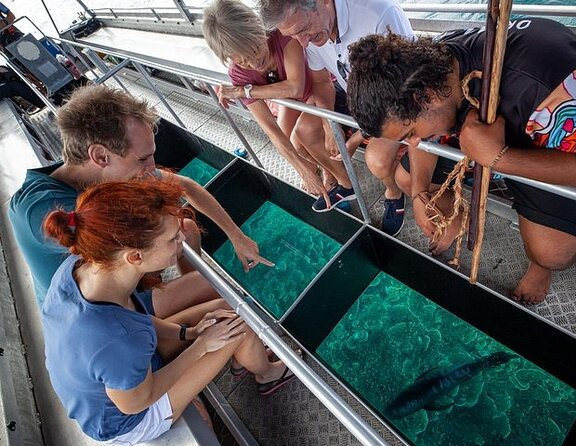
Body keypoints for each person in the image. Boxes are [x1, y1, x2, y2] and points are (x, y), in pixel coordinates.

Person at [346, 19, 576, 304]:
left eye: (410, 133)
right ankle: (452, 216)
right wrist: (421, 194)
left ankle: (540, 269)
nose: (414, 143)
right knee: (407, 179)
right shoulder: (429, 67)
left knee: (553, 253)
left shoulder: (557, 80)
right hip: (484, 142)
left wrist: (500, 159)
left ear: (427, 97)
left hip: (544, 145)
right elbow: (425, 140)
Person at [41, 178, 296, 444]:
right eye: (173, 238)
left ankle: (243, 359)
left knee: (225, 309)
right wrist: (201, 346)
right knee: (239, 327)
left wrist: (190, 332)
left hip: (123, 372)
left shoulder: (82, 268)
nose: (183, 238)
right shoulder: (117, 338)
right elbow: (138, 401)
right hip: (131, 419)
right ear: (135, 256)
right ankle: (268, 375)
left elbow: (135, 318)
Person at [9, 85, 272, 309]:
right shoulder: (42, 210)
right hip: (94, 311)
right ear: (100, 156)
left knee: (187, 229)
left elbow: (188, 187)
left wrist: (236, 236)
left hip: (118, 271)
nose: (152, 167)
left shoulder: (107, 173)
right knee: (222, 294)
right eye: (143, 158)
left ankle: (197, 305)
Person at [258, 0, 415, 235]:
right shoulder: (310, 34)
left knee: (377, 159)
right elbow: (322, 82)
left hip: (396, 104)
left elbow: (403, 92)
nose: (303, 42)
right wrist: (329, 123)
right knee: (304, 131)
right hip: (354, 96)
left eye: (302, 30)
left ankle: (393, 191)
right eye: (293, 36)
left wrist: (353, 139)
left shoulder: (380, 15)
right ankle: (345, 182)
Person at [202, 0, 354, 212]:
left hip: (319, 89)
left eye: (255, 50)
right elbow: (271, 131)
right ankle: (324, 168)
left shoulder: (283, 34)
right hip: (294, 101)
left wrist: (246, 91)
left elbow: (295, 88)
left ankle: (345, 182)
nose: (255, 64)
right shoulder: (237, 74)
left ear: (260, 29)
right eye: (243, 61)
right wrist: (303, 171)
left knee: (301, 137)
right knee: (289, 143)